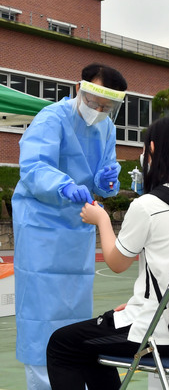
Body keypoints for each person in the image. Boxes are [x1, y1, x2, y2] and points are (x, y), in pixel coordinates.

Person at [46, 115, 169, 388]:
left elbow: (116, 262)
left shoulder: (148, 205)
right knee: (91, 342)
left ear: (152, 150)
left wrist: (101, 219)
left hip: (157, 334)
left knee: (62, 344)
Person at [11, 63, 127, 389]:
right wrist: (63, 185)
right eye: (94, 102)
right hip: (41, 229)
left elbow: (106, 177)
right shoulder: (52, 119)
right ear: (80, 89)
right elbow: (33, 168)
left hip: (76, 229)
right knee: (40, 315)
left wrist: (107, 183)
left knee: (74, 314)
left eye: (107, 107)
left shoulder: (106, 128)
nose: (98, 111)